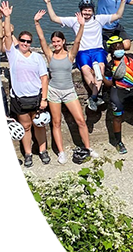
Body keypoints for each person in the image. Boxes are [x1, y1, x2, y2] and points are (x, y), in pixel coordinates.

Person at [43, 0, 127, 112]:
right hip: (82, 51)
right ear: (80, 11)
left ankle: (93, 97)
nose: (87, 13)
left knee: (100, 68)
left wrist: (123, 1)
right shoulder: (75, 21)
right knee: (85, 69)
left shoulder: (99, 19)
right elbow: (54, 18)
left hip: (98, 50)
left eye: (89, 10)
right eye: (84, 10)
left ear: (93, 11)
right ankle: (96, 96)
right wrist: (48, 3)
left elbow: (118, 15)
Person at [33, 9, 93, 163]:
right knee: (56, 122)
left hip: (69, 91)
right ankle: (61, 152)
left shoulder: (70, 55)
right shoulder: (50, 55)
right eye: (53, 41)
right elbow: (41, 39)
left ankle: (88, 148)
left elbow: (78, 41)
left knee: (80, 120)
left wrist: (81, 26)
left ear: (63, 42)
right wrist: (37, 22)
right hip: (53, 92)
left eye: (58, 41)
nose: (55, 44)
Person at [0, 1, 50, 167]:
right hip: (20, 99)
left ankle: (43, 151)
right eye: (22, 40)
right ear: (19, 41)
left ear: (31, 43)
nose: (25, 43)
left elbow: (44, 78)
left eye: (28, 41)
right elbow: (7, 35)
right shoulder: (13, 55)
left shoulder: (37, 57)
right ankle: (28, 154)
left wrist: (44, 99)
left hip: (36, 98)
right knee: (26, 127)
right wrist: (7, 17)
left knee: (40, 125)